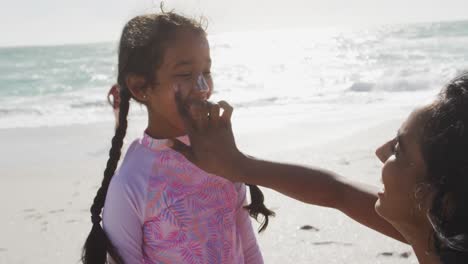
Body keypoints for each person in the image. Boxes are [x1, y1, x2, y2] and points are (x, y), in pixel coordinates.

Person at [171, 73, 468, 264]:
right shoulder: (441, 238)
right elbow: (335, 191)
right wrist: (239, 166)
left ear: (441, 201)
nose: (380, 152)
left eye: (398, 150)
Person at [81, 11, 274, 264]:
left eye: (207, 71)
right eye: (185, 74)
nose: (203, 87)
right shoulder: (131, 183)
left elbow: (247, 248)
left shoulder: (222, 159)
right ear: (141, 87)